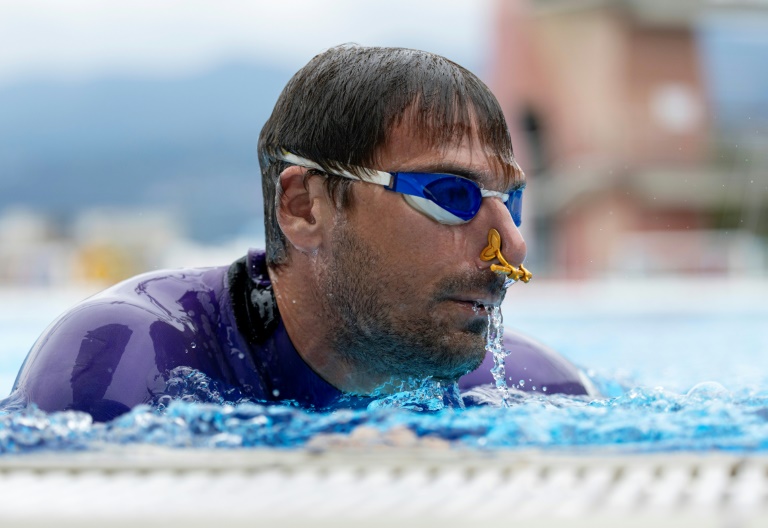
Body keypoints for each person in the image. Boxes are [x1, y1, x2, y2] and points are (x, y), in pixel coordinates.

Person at [7, 45, 597, 422]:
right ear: (304, 206)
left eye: (511, 200)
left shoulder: (538, 391)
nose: (511, 248)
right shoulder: (120, 367)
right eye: (451, 196)